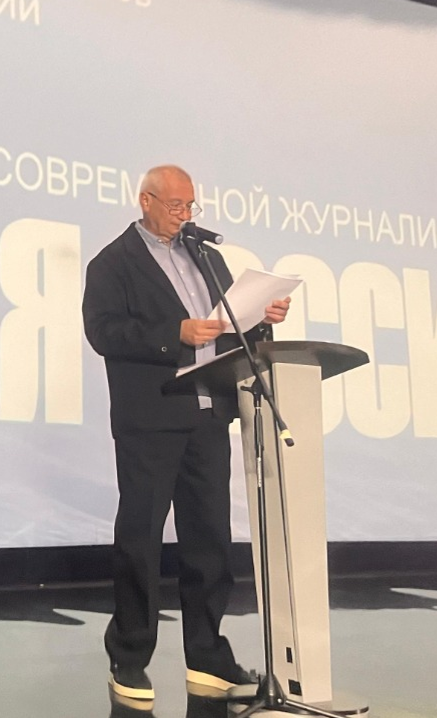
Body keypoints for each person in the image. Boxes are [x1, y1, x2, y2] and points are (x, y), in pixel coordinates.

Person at [82, 164, 291, 703]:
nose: (184, 215)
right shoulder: (113, 262)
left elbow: (229, 325)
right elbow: (103, 332)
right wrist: (172, 333)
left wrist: (262, 318)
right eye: (175, 205)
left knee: (210, 541)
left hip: (207, 413)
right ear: (146, 201)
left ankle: (207, 657)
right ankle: (129, 658)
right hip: (151, 418)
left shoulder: (208, 257)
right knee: (141, 541)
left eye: (190, 205)